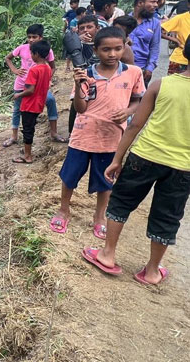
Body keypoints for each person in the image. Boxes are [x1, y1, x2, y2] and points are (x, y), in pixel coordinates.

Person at [82, 37, 190, 284]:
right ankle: (152, 271)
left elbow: (135, 125)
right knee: (168, 216)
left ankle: (107, 254)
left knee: (121, 202)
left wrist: (117, 158)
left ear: (184, 52)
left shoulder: (162, 85)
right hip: (183, 166)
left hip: (146, 156)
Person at [50, 27, 144, 238]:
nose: (112, 54)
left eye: (117, 49)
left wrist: (127, 111)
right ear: (95, 50)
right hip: (83, 136)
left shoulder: (133, 73)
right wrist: (77, 82)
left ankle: (99, 216)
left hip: (111, 138)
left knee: (105, 180)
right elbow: (81, 108)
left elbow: (138, 100)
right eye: (106, 50)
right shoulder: (87, 74)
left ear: (124, 48)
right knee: (70, 176)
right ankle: (64, 209)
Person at [3, 24, 66, 148]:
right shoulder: (22, 48)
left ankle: (53, 132)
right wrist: (15, 70)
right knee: (17, 109)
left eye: (34, 37)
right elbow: (8, 58)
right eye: (29, 37)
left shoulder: (46, 50)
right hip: (21, 84)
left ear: (40, 37)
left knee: (51, 100)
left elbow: (52, 67)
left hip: (37, 87)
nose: (31, 40)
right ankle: (14, 136)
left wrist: (47, 79)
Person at [11, 40, 53, 164]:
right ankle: (27, 151)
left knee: (27, 129)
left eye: (31, 53)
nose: (31, 55)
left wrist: (18, 94)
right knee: (30, 127)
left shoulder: (34, 70)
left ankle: (27, 156)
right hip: (39, 103)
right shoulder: (47, 68)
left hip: (29, 104)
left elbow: (30, 90)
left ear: (37, 54)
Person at [68, 15, 101, 134]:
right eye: (82, 28)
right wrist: (78, 40)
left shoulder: (103, 43)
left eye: (89, 27)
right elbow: (66, 43)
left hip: (100, 84)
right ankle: (72, 135)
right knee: (76, 110)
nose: (86, 30)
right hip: (81, 83)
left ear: (97, 28)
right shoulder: (76, 43)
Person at [129, 0, 161, 86]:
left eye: (156, 2)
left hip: (142, 70)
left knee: (140, 99)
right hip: (122, 68)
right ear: (140, 3)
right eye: (153, 2)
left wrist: (150, 68)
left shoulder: (155, 23)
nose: (156, 5)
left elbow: (154, 47)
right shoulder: (123, 20)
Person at [161, 8, 190, 74]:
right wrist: (175, 40)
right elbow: (159, 31)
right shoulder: (180, 18)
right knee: (173, 83)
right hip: (180, 60)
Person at [66, 7, 88, 71]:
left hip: (82, 39)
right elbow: (73, 30)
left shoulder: (84, 21)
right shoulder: (73, 21)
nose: (85, 14)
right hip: (75, 39)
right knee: (71, 53)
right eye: (85, 13)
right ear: (82, 13)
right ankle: (68, 66)